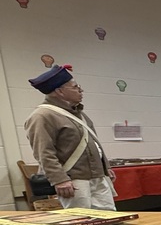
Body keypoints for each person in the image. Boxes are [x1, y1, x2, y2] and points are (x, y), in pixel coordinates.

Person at [24, 65, 115, 209]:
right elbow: (44, 152)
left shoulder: (78, 114)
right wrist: (59, 180)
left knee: (109, 217)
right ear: (59, 91)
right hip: (73, 180)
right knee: (82, 219)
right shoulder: (42, 116)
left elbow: (93, 143)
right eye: (75, 87)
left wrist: (105, 167)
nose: (80, 90)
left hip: (97, 176)